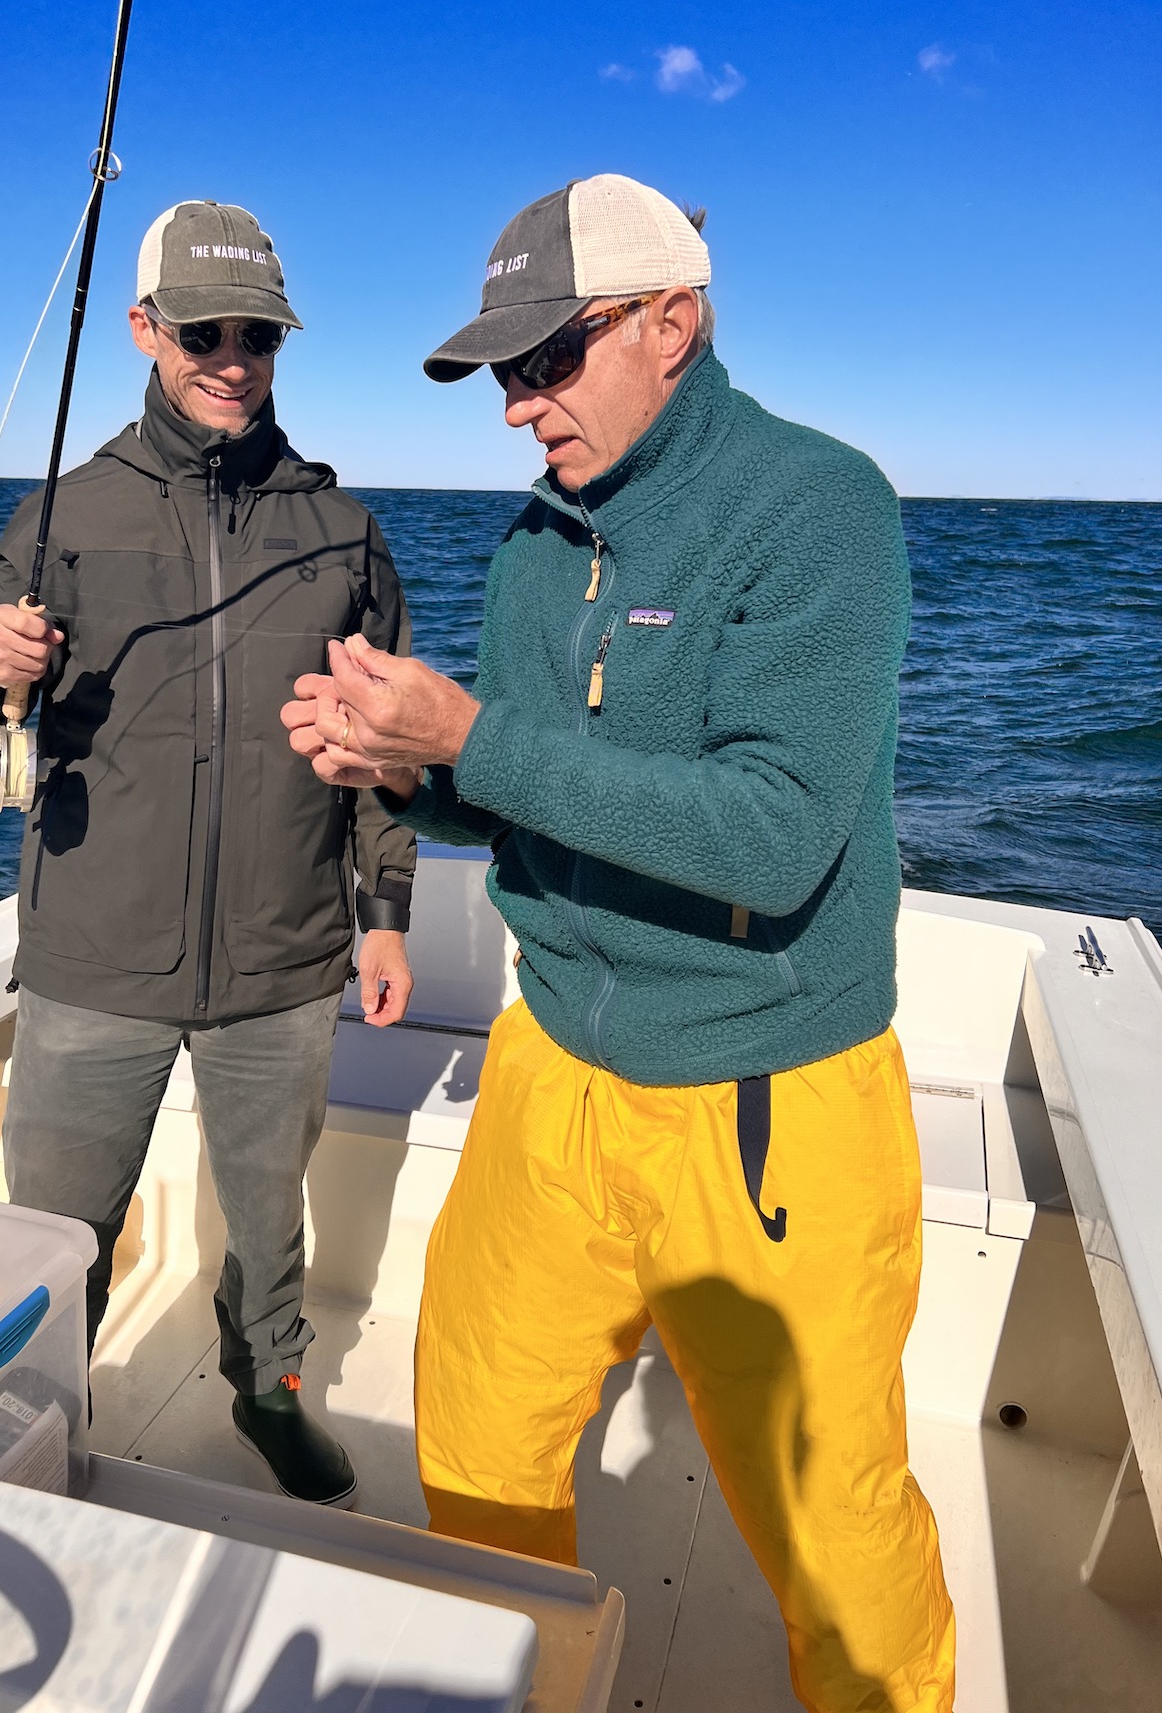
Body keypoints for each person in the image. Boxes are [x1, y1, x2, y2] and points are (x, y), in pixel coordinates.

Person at [282, 175, 955, 1705]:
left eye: (546, 360)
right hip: (551, 1070)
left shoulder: (818, 505)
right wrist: (413, 768)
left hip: (767, 1103)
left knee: (837, 1536)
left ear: (673, 321)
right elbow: (536, 805)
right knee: (472, 1435)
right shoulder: (534, 550)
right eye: (501, 375)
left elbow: (775, 838)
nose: (519, 407)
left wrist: (474, 735)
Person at [0, 198, 416, 1507]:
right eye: (204, 330)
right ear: (145, 331)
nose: (233, 355)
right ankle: (26, 1424)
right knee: (54, 1236)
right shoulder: (61, 514)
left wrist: (387, 912)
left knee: (272, 1222)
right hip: (93, 961)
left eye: (258, 332)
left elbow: (378, 749)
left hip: (286, 960)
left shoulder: (344, 533)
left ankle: (269, 1392)